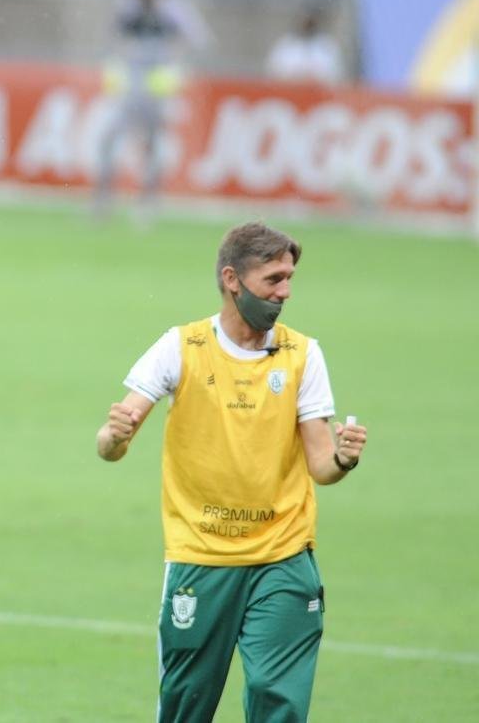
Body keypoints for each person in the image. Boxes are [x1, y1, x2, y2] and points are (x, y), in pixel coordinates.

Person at [95, 221, 368, 722]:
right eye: (274, 279)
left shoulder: (303, 354)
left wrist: (344, 459)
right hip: (201, 555)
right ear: (232, 279)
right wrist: (115, 436)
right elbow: (111, 441)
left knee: (276, 695)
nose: (285, 292)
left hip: (283, 554)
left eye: (289, 279)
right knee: (187, 703)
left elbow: (321, 465)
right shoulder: (181, 348)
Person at [94, 0, 209, 221]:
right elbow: (111, 32)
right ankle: (103, 198)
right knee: (110, 136)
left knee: (153, 142)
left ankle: (148, 201)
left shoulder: (173, 7)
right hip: (130, 82)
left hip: (157, 85)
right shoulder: (128, 3)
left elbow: (197, 37)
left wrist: (174, 58)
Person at [266, 4, 344, 86]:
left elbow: (336, 74)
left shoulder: (327, 46)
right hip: (291, 93)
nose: (306, 22)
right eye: (304, 18)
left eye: (310, 19)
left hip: (320, 94)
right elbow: (274, 72)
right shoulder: (286, 45)